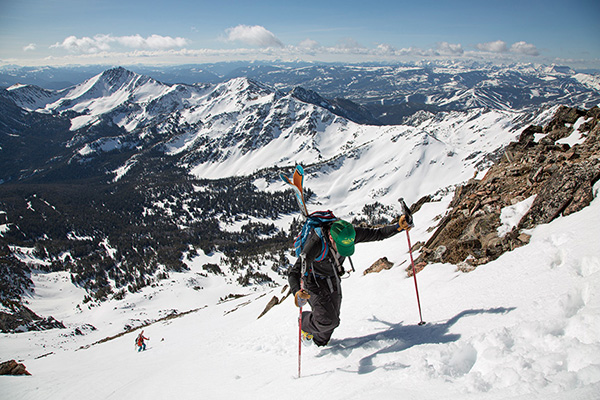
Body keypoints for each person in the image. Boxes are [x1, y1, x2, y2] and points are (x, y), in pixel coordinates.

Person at [288, 215, 411, 347]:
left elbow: (377, 234)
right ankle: (304, 323)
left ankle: (319, 341)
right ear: (331, 238)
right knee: (328, 320)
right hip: (313, 281)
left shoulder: (349, 234)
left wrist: (398, 227)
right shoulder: (316, 243)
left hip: (332, 276)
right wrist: (296, 292)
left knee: (333, 319)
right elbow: (294, 272)